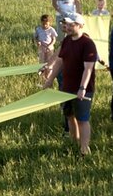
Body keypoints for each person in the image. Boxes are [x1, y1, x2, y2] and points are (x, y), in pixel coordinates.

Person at [41, 13, 98, 155]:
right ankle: (74, 144)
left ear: (80, 26)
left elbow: (88, 68)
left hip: (82, 89)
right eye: (68, 25)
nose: (69, 27)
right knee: (69, 115)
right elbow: (60, 62)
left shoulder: (88, 44)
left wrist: (82, 88)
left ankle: (85, 149)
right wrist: (49, 81)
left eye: (72, 25)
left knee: (82, 119)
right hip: (66, 88)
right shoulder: (67, 41)